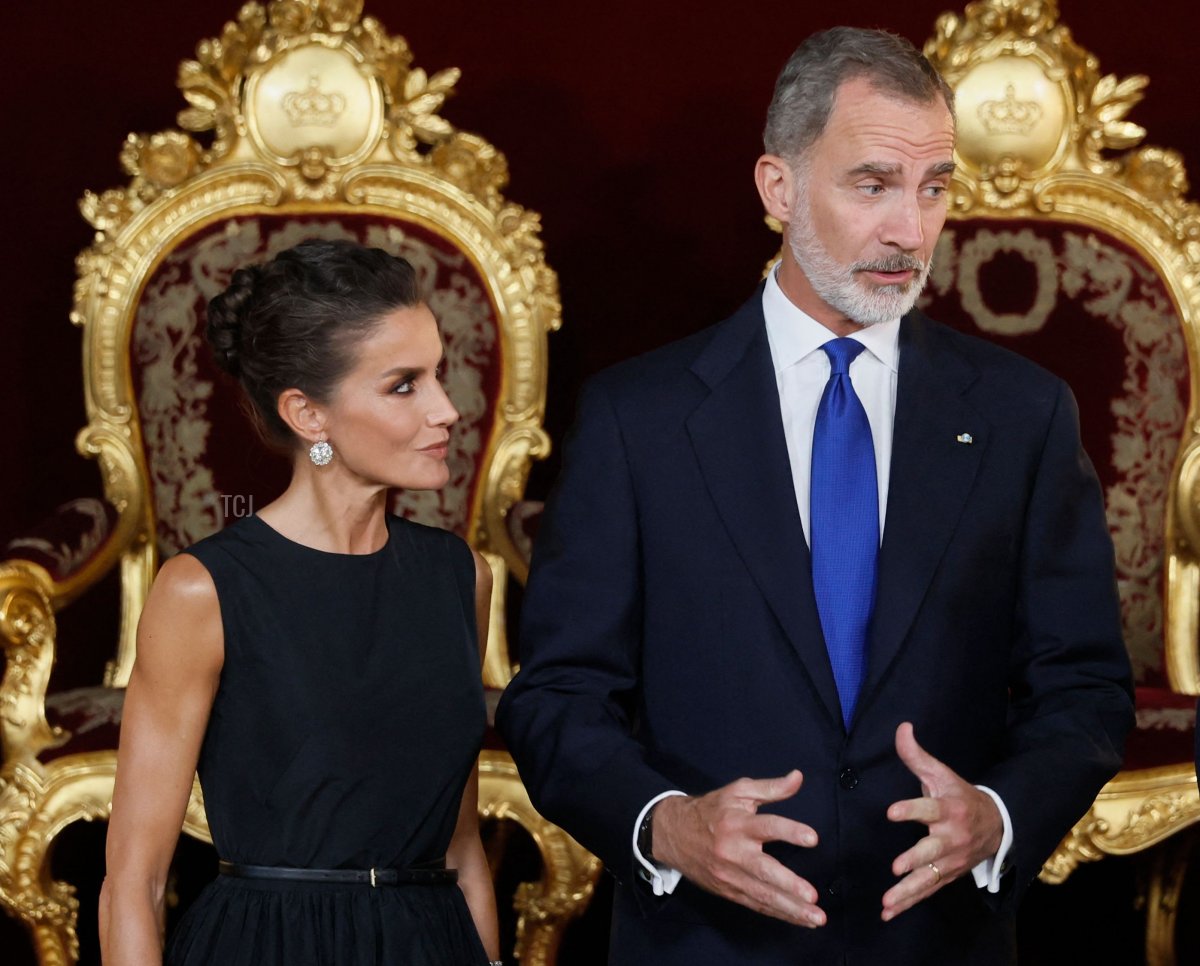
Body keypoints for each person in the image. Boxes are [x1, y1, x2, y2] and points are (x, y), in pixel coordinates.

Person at [497, 27, 1134, 965]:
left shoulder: (1020, 415)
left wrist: (997, 817)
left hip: (937, 940)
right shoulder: (642, 418)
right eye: (873, 184)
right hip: (707, 943)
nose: (910, 231)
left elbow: (1083, 687)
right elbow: (556, 696)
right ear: (778, 188)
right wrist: (665, 826)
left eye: (934, 188)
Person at [99, 239, 502, 966]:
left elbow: (463, 846)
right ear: (308, 415)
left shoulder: (459, 578)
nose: (446, 409)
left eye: (439, 374)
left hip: (430, 944)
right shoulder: (203, 591)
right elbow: (135, 880)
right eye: (404, 385)